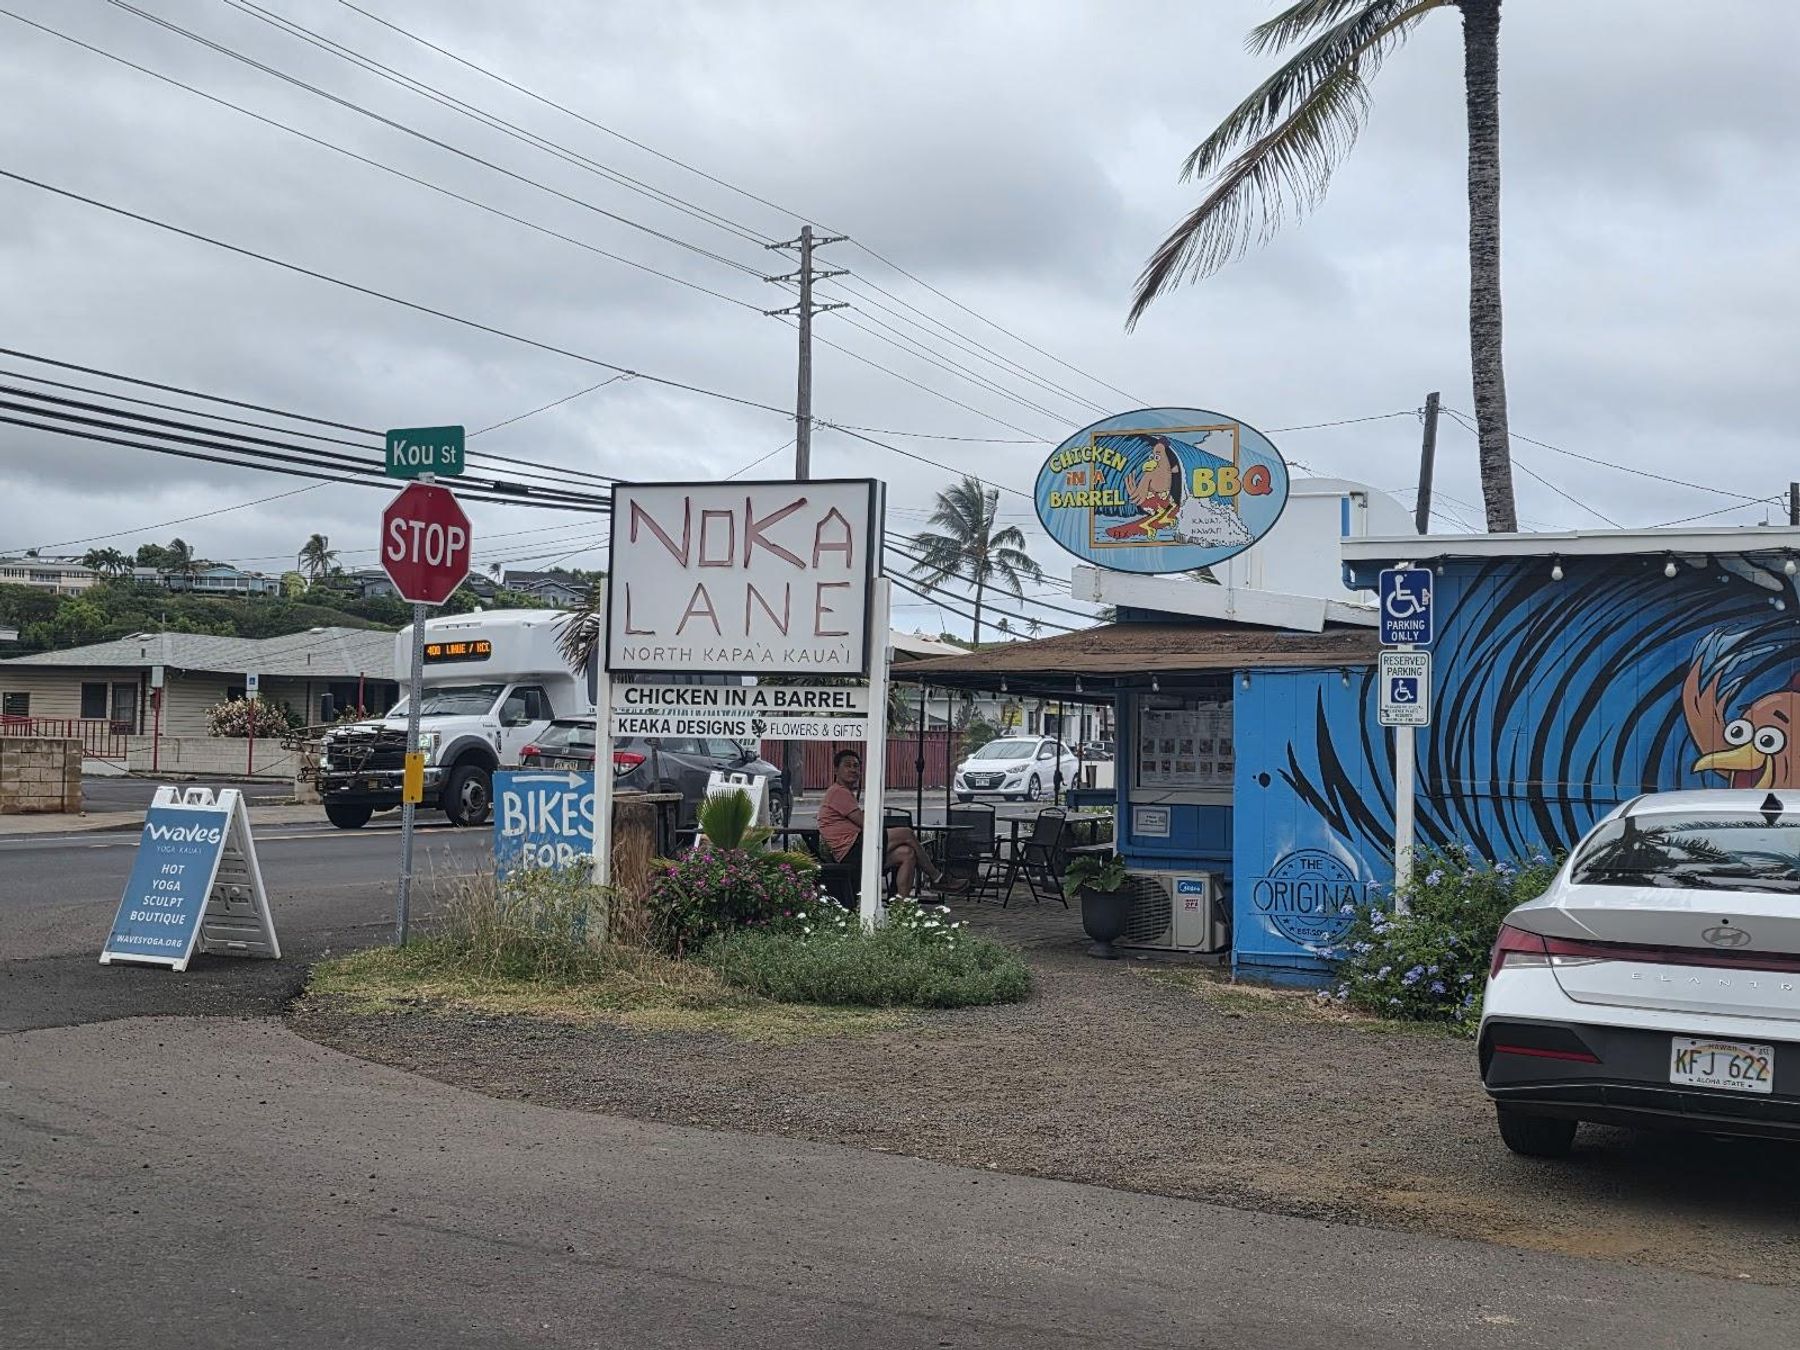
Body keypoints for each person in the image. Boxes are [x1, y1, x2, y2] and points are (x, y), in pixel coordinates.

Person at [817, 748, 967, 896]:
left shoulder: (843, 793)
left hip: (858, 848)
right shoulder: (838, 792)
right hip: (851, 851)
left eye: (856, 766)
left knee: (907, 854)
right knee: (907, 833)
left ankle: (901, 906)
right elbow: (867, 824)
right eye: (847, 765)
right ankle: (937, 878)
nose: (853, 770)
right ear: (836, 770)